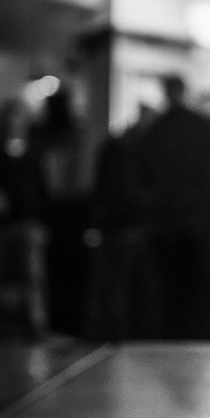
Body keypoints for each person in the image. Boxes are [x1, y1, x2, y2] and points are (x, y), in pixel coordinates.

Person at [136, 74, 210, 338]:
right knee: (205, 295)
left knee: (171, 295)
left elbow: (141, 174)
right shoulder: (209, 127)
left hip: (168, 222)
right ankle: (202, 344)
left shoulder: (155, 130)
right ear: (185, 91)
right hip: (208, 221)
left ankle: (174, 345)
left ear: (165, 92)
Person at [82, 104, 158, 341]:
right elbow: (117, 189)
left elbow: (102, 188)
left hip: (117, 224)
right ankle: (116, 335)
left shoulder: (118, 146)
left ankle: (108, 334)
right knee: (119, 285)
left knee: (112, 284)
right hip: (125, 224)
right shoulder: (133, 149)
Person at [0, 97, 50, 341]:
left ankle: (36, 326)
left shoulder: (33, 153)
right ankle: (0, 326)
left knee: (33, 276)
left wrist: (44, 223)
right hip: (0, 225)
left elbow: (42, 191)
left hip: (28, 223)